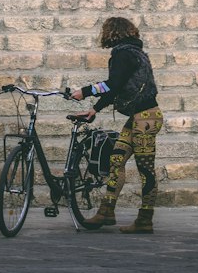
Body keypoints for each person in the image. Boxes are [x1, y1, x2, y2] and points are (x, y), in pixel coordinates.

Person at [69, 16, 163, 234]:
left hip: (145, 120)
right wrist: (95, 109)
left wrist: (85, 91)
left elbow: (112, 85)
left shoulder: (123, 54)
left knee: (145, 170)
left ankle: (145, 219)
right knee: (116, 160)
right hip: (140, 118)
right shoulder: (135, 53)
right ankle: (106, 211)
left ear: (112, 33)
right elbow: (117, 88)